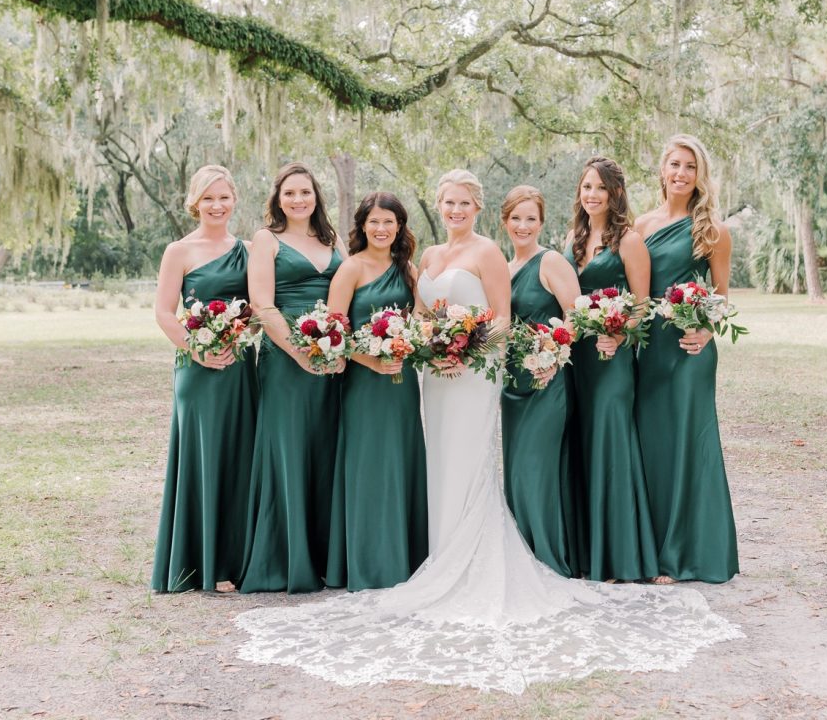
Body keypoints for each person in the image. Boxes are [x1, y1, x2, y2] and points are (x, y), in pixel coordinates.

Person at [235, 170, 742, 693]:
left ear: (478, 208)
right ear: (439, 205)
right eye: (448, 202)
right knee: (438, 460)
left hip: (474, 374)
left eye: (464, 203)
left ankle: (473, 558)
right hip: (434, 376)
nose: (455, 210)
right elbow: (418, 315)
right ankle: (438, 553)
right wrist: (431, 344)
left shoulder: (489, 254)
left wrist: (465, 347)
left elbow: (501, 318)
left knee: (468, 457)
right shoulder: (428, 258)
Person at [634, 134, 739, 584]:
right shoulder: (640, 225)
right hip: (648, 349)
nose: (681, 173)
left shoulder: (712, 230)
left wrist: (705, 329)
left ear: (700, 176)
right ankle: (648, 546)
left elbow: (722, 295)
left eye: (690, 167)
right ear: (662, 169)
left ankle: (679, 555)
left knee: (686, 443)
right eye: (675, 164)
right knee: (652, 443)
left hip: (689, 348)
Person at [239, 162, 345, 593]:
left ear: (316, 196)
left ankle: (327, 557)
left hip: (332, 359)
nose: (298, 200)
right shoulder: (267, 240)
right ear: (278, 199)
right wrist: (300, 353)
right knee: (289, 448)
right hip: (286, 360)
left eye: (305, 192)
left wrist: (340, 347)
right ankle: (285, 559)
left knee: (326, 448)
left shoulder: (332, 240)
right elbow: (262, 305)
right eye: (290, 193)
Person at [151, 165, 257, 593]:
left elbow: (260, 308)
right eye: (208, 198)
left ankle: (236, 559)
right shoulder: (179, 251)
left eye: (224, 197)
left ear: (234, 200)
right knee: (203, 456)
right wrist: (198, 349)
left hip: (239, 367)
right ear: (195, 203)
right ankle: (203, 564)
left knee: (239, 458)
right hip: (196, 370)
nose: (217, 205)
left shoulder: (250, 250)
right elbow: (163, 312)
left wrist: (240, 332)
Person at [323, 192, 428, 591]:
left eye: (389, 222)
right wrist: (372, 360)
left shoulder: (409, 270)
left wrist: (405, 345)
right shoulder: (350, 269)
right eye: (374, 222)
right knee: (368, 464)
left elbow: (421, 321)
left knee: (400, 460)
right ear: (362, 226)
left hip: (401, 383)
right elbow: (332, 334)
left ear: (399, 227)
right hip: (364, 383)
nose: (381, 229)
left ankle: (404, 558)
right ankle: (368, 562)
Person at [565, 157, 658, 583]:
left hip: (610, 360)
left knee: (610, 442)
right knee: (581, 443)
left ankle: (619, 556)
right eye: (587, 186)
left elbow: (643, 304)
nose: (592, 194)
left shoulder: (630, 241)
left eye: (600, 187)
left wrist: (619, 335)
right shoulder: (573, 238)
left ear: (616, 192)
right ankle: (587, 552)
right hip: (575, 359)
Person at [499, 185, 581, 577]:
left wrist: (555, 356)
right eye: (516, 218)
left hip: (546, 382)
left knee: (536, 472)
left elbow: (575, 314)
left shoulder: (551, 262)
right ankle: (523, 558)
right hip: (511, 387)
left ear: (541, 223)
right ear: (504, 221)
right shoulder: (503, 268)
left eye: (531, 218)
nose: (523, 225)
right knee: (516, 474)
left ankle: (548, 562)